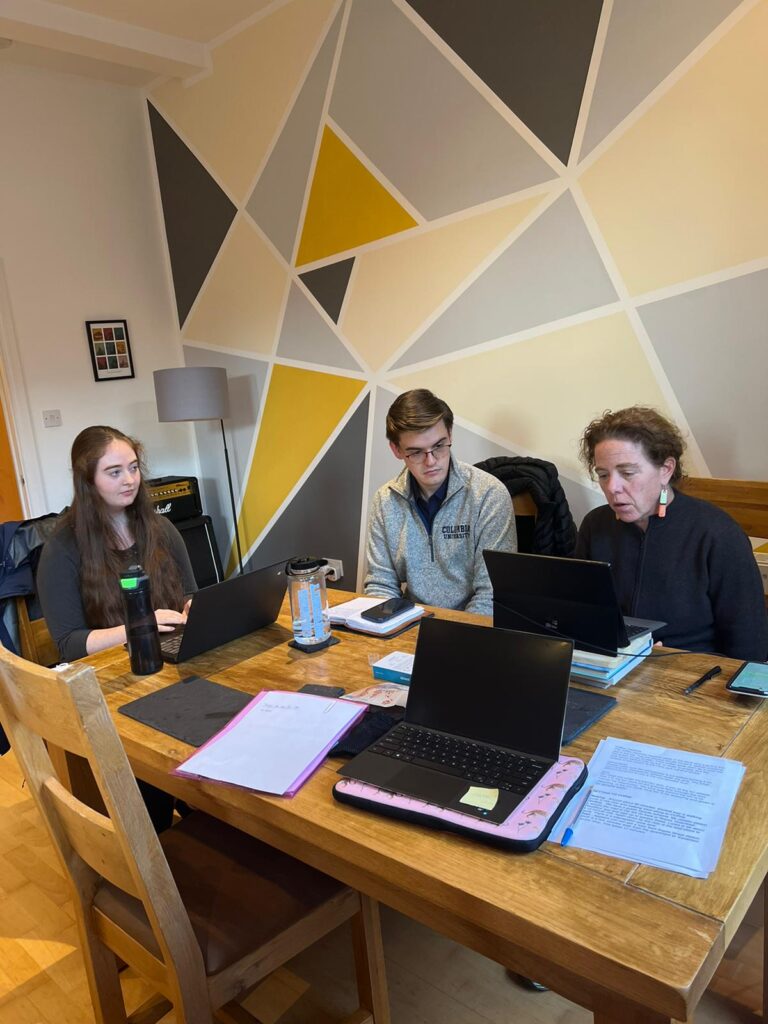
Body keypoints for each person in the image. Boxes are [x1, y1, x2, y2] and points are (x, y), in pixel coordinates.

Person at [575, 406, 767, 661]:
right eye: (603, 474)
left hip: (695, 673)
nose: (612, 487)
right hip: (616, 664)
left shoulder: (717, 533)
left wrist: (676, 661)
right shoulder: (595, 525)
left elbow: (749, 642)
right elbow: (580, 610)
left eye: (627, 473)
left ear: (666, 469)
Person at [38, 425, 197, 663]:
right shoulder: (62, 549)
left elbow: (189, 594)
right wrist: (140, 625)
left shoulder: (161, 528)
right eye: (114, 472)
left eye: (133, 468)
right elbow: (69, 645)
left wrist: (192, 608)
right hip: (112, 670)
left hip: (174, 655)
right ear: (88, 481)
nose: (130, 480)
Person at [364, 389, 516, 616]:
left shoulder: (489, 495)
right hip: (409, 624)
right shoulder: (385, 501)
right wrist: (386, 629)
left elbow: (491, 594)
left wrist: (450, 640)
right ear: (396, 450)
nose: (431, 461)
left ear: (450, 435)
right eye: (415, 452)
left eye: (439, 446)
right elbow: (381, 584)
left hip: (471, 631)